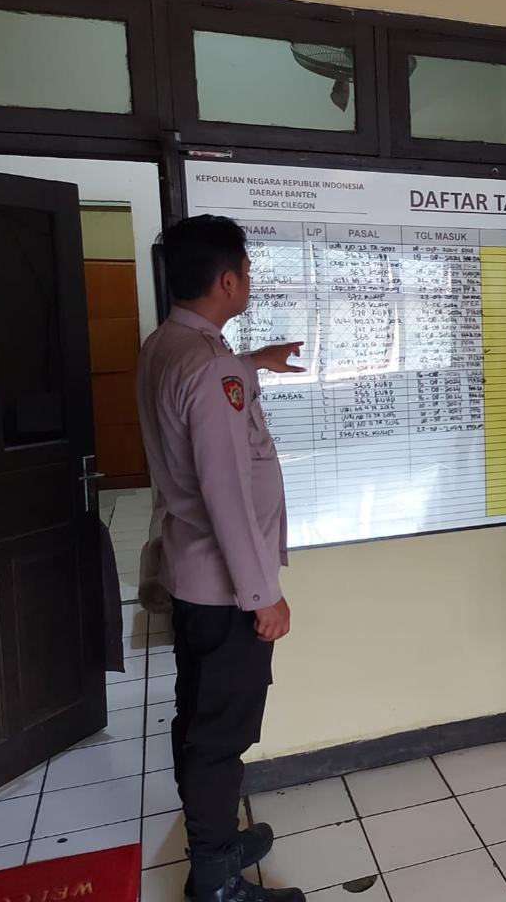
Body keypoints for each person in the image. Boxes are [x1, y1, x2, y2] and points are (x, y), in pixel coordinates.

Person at [136, 215, 306, 902]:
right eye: (247, 271)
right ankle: (214, 879)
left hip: (196, 577)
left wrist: (253, 362)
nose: (250, 281)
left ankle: (214, 843)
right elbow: (227, 493)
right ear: (228, 280)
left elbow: (206, 389)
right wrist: (263, 594)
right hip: (227, 588)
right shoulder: (208, 367)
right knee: (218, 734)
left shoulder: (168, 344)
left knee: (200, 715)